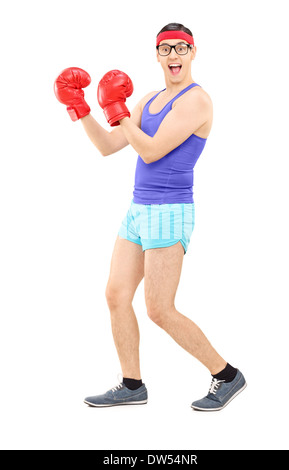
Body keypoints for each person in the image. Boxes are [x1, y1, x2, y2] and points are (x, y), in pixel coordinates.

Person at [54, 23, 246, 412]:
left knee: (159, 308)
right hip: (139, 209)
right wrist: (82, 108)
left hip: (170, 211)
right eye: (165, 49)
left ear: (193, 53)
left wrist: (118, 111)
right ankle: (131, 384)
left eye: (181, 48)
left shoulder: (197, 101)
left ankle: (227, 375)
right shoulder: (148, 101)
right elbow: (110, 146)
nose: (173, 55)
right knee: (116, 294)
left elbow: (152, 151)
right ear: (157, 56)